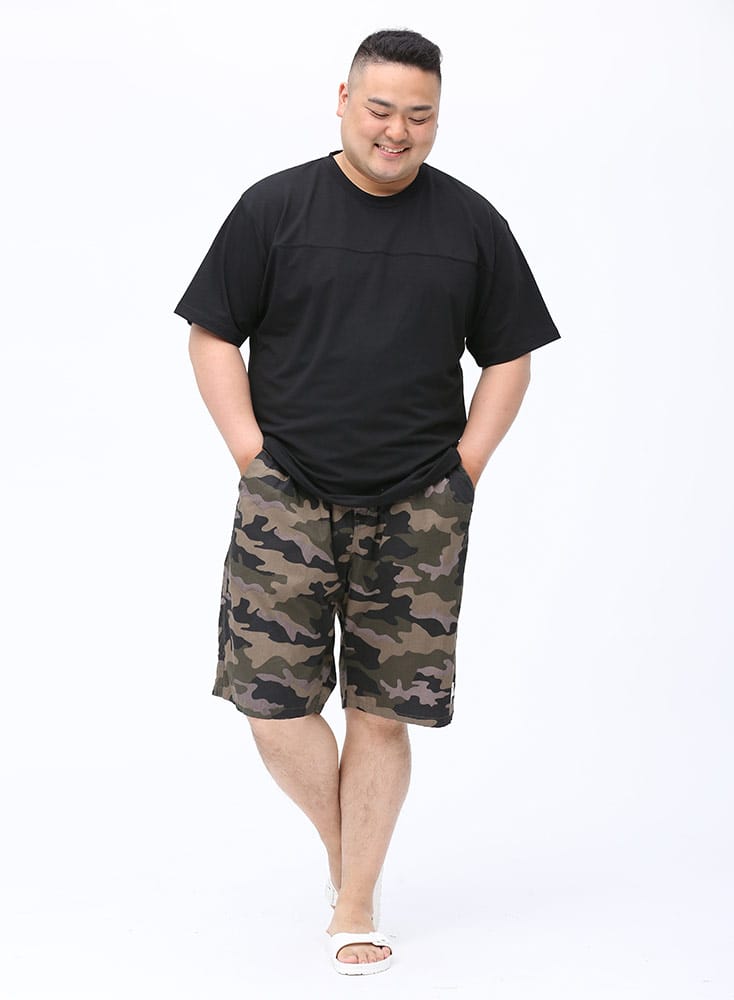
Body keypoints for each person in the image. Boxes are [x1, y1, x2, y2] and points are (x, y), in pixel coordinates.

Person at [173, 28, 560, 975]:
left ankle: (354, 903)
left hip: (419, 505)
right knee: (273, 707)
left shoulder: (470, 223)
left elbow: (510, 354)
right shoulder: (276, 207)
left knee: (382, 713)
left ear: (438, 117)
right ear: (343, 99)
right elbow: (212, 335)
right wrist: (251, 455)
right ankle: (350, 856)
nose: (397, 131)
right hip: (287, 495)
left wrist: (466, 467)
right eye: (381, 108)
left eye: (419, 115)